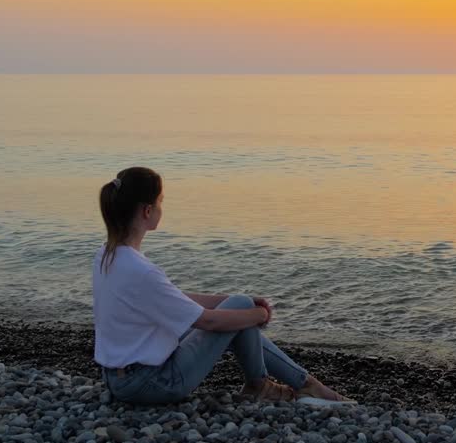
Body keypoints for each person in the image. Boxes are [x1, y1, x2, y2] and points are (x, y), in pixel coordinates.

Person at [92, 166, 354, 406]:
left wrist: (230, 301)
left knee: (239, 305)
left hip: (120, 380)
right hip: (153, 384)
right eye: (161, 202)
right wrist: (257, 314)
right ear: (147, 211)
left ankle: (287, 384)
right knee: (240, 309)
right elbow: (209, 323)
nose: (162, 208)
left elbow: (174, 298)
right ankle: (282, 385)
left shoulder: (108, 255)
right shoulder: (142, 271)